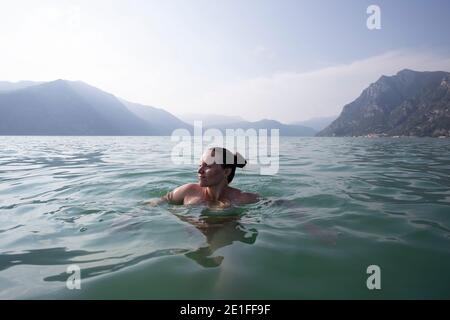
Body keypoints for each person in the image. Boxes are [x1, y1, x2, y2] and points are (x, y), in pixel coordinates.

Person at [152, 147, 259, 207]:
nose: (199, 171)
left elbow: (271, 204)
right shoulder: (188, 191)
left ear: (226, 171)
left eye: (207, 166)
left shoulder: (242, 199)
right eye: (200, 165)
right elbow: (159, 202)